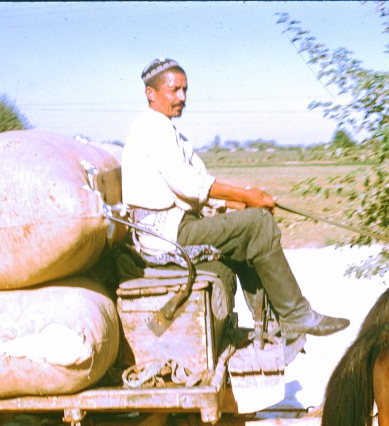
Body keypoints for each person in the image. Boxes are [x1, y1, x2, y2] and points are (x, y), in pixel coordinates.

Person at [121, 58, 350, 338]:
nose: (182, 97)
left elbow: (197, 182)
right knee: (257, 224)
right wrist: (246, 196)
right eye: (175, 90)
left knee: (252, 221)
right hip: (167, 235)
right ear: (151, 94)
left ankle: (270, 322)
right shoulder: (151, 129)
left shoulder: (170, 131)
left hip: (179, 225)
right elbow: (190, 185)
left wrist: (235, 203)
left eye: (185, 90)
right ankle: (295, 316)